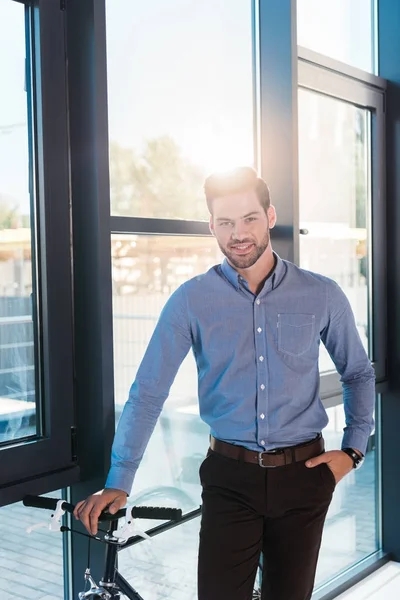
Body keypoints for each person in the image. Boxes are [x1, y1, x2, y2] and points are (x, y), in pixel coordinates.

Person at [74, 167, 375, 600]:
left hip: (305, 476)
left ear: (270, 216)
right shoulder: (190, 301)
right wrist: (120, 479)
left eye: (250, 218)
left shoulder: (321, 294)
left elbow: (358, 373)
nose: (239, 233)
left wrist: (353, 450)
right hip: (229, 479)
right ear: (210, 226)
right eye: (226, 222)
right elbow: (147, 394)